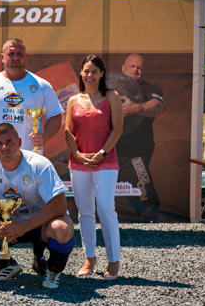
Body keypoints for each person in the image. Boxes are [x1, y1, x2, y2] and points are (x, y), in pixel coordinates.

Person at [0, 38, 63, 276]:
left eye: (20, 53)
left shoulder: (41, 85)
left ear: (26, 57)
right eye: (11, 53)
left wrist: (44, 137)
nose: (15, 57)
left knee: (34, 207)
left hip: (31, 163)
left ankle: (39, 256)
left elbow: (56, 117)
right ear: (2, 57)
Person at [0, 123, 75, 290]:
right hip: (8, 228)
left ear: (20, 142)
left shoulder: (39, 164)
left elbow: (59, 204)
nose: (4, 147)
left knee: (63, 228)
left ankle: (53, 271)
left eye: (9, 141)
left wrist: (25, 226)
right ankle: (7, 266)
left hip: (39, 225)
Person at [65, 56, 123, 280]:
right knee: (85, 212)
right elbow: (68, 132)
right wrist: (78, 155)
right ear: (80, 72)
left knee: (106, 209)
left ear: (102, 73)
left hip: (105, 163)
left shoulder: (111, 96)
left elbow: (117, 129)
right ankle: (89, 258)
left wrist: (102, 154)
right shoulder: (73, 100)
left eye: (94, 71)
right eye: (86, 71)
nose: (90, 75)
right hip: (79, 163)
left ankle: (113, 261)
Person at [116, 53, 165, 220]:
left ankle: (148, 229)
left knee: (147, 202)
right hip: (106, 151)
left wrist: (136, 108)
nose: (136, 70)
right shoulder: (108, 87)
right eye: (132, 66)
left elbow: (158, 106)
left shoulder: (150, 90)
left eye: (140, 68)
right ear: (123, 68)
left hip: (134, 153)